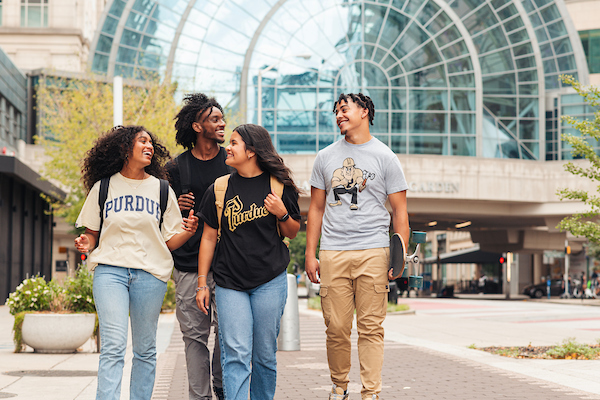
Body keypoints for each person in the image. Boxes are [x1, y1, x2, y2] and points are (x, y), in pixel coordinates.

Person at [74, 125, 198, 400]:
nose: (149, 146)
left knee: (145, 349)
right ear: (124, 148)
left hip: (149, 275)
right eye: (142, 141)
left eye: (151, 142)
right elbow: (92, 233)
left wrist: (187, 232)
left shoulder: (162, 189)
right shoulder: (103, 187)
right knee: (114, 346)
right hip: (110, 272)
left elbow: (167, 241)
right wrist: (86, 242)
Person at [305, 93, 409, 400]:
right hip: (333, 251)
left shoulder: (386, 157)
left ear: (364, 112)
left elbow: (400, 211)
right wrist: (311, 254)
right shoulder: (324, 157)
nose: (338, 115)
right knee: (335, 327)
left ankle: (371, 393)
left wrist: (399, 255)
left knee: (371, 328)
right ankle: (339, 386)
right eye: (336, 111)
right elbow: (316, 209)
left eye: (344, 109)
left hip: (374, 251)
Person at [195, 124, 301, 400]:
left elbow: (292, 231)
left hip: (270, 280)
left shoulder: (279, 186)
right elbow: (208, 238)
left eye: (234, 143)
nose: (227, 148)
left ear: (252, 151)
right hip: (230, 283)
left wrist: (281, 214)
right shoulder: (220, 188)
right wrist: (202, 283)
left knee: (264, 354)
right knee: (236, 355)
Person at [166, 93, 231, 400]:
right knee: (194, 336)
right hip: (189, 265)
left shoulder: (233, 161)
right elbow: (160, 218)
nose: (222, 124)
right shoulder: (175, 169)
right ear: (196, 126)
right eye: (214, 119)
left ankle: (219, 383)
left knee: (229, 332)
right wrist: (175, 206)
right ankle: (200, 396)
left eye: (222, 118)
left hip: (229, 264)